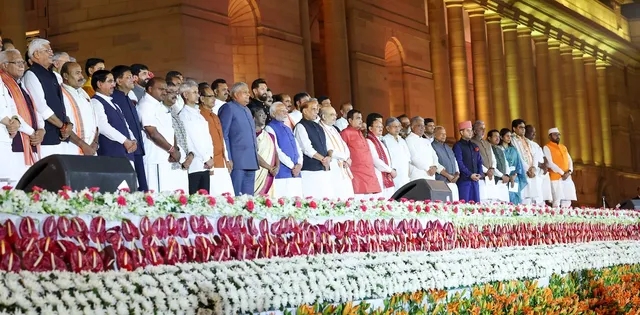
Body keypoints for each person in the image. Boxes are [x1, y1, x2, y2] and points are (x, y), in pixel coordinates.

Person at [0, 49, 44, 184]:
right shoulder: (6, 82)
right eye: (17, 62)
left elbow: (17, 108)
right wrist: (29, 130)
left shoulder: (19, 84)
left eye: (22, 62)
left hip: (14, 137)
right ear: (4, 65)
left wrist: (41, 129)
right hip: (14, 138)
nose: (21, 65)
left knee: (15, 184)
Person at [22, 38, 71, 157]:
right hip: (45, 138)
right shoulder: (32, 74)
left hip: (60, 135)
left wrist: (68, 124)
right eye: (47, 50)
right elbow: (41, 107)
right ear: (37, 54)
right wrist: (62, 126)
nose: (51, 53)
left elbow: (60, 104)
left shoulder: (52, 75)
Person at [137, 77, 180, 192]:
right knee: (156, 196)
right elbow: (152, 133)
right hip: (154, 158)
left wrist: (175, 149)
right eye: (161, 89)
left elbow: (171, 130)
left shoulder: (159, 105)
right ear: (150, 89)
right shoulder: (146, 104)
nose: (165, 92)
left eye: (165, 89)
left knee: (167, 195)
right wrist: (171, 150)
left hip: (166, 157)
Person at [91, 70, 138, 170]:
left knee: (129, 184)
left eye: (113, 81)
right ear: (99, 84)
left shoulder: (114, 104)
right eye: (110, 81)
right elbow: (103, 127)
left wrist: (132, 140)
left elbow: (126, 125)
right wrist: (125, 140)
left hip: (125, 152)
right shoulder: (95, 102)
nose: (113, 84)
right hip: (111, 153)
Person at [111, 65, 148, 191]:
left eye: (132, 77)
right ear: (118, 80)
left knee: (141, 188)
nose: (133, 80)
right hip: (125, 149)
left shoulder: (128, 98)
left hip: (136, 149)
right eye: (128, 77)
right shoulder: (114, 99)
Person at [219, 82, 259, 196]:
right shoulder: (228, 108)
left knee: (248, 197)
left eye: (248, 92)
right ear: (236, 94)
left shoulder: (247, 109)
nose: (248, 95)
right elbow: (223, 134)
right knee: (235, 196)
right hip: (236, 160)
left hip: (251, 159)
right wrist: (228, 158)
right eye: (245, 92)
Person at [178, 80, 214, 194]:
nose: (198, 95)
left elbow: (206, 138)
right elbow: (192, 139)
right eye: (194, 92)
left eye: (197, 92)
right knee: (195, 199)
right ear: (185, 95)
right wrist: (206, 158)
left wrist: (210, 157)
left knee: (205, 199)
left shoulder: (198, 114)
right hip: (195, 164)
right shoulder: (184, 115)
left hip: (205, 164)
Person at [198, 85, 234, 196]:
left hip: (222, 162)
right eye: (210, 96)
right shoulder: (199, 115)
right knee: (215, 198)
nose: (214, 99)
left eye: (214, 96)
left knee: (228, 197)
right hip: (210, 163)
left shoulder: (214, 115)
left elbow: (221, 138)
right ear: (202, 98)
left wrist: (227, 159)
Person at [294, 99, 333, 198]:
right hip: (310, 170)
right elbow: (307, 149)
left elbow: (328, 145)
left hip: (323, 168)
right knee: (312, 200)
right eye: (313, 109)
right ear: (305, 111)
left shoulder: (319, 126)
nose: (316, 111)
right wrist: (324, 159)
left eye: (317, 109)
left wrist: (329, 157)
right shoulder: (300, 126)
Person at [265, 101, 304, 198]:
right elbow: (276, 150)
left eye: (286, 110)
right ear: (273, 113)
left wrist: (299, 164)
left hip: (296, 171)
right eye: (282, 111)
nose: (285, 112)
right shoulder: (269, 128)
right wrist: (292, 166)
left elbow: (298, 147)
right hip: (283, 172)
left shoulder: (287, 127)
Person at [60, 62, 98, 156]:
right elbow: (65, 124)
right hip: (73, 148)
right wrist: (83, 145)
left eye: (81, 72)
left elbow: (95, 120)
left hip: (91, 148)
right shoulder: (61, 93)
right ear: (65, 76)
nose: (81, 76)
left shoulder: (83, 93)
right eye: (77, 73)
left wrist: (95, 143)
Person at [341, 109, 381, 198]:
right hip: (356, 174)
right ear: (350, 120)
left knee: (372, 202)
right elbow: (342, 152)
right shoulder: (345, 133)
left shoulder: (360, 133)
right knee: (359, 202)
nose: (361, 121)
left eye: (361, 118)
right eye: (358, 118)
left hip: (368, 172)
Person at [318, 105, 354, 199]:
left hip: (344, 164)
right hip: (334, 165)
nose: (335, 117)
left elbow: (344, 145)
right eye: (332, 115)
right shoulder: (320, 129)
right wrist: (345, 157)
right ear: (324, 117)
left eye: (335, 114)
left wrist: (348, 158)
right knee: (337, 195)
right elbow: (330, 150)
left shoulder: (334, 128)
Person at [405, 116, 448, 181]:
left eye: (423, 126)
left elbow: (434, 156)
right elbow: (414, 158)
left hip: (431, 175)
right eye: (419, 126)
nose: (422, 128)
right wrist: (428, 169)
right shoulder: (408, 140)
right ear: (412, 126)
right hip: (418, 176)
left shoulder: (426, 141)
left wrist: (435, 166)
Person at [543, 128, 577, 208]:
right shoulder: (547, 147)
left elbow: (570, 160)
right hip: (556, 177)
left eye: (558, 134)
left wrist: (569, 172)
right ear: (550, 137)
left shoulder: (563, 147)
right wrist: (562, 173)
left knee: (567, 200)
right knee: (557, 200)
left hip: (567, 177)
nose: (557, 136)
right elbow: (550, 163)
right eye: (555, 134)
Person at [471, 120, 502, 203]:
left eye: (484, 128)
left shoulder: (487, 143)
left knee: (493, 201)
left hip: (491, 176)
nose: (484, 131)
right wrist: (486, 171)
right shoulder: (471, 143)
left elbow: (493, 159)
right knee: (483, 201)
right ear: (474, 131)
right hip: (481, 177)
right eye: (481, 128)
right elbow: (475, 161)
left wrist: (492, 169)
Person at [366, 114, 396, 199]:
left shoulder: (380, 140)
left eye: (381, 126)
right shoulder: (369, 141)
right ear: (370, 128)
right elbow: (375, 160)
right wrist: (390, 170)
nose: (381, 128)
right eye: (378, 126)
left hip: (386, 174)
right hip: (378, 174)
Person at [452, 121, 483, 203]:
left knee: (476, 206)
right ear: (461, 132)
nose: (470, 133)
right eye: (467, 130)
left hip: (475, 180)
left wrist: (479, 173)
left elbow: (479, 161)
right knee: (465, 205)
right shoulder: (458, 146)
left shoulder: (474, 145)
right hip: (464, 181)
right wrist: (470, 174)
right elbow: (459, 163)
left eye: (471, 130)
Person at [511, 119, 539, 204]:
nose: (523, 129)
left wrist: (534, 167)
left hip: (531, 171)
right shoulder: (512, 140)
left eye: (524, 127)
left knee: (532, 197)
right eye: (520, 127)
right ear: (514, 128)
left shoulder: (527, 140)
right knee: (524, 197)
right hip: (522, 171)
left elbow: (535, 155)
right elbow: (517, 156)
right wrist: (527, 169)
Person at [252, 106, 278, 196]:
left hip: (269, 173)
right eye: (260, 115)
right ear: (253, 118)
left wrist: (277, 167)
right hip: (257, 172)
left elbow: (275, 152)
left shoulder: (269, 136)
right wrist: (269, 167)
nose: (264, 117)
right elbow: (253, 154)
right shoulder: (250, 135)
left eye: (265, 115)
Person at [525, 125, 553, 205]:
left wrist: (545, 166)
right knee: (535, 195)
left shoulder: (535, 144)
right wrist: (541, 166)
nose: (534, 134)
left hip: (541, 172)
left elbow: (543, 156)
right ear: (526, 132)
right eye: (532, 132)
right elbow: (532, 157)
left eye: (535, 132)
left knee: (542, 193)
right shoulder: (526, 143)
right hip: (534, 170)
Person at [431, 126, 460, 201]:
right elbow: (435, 164)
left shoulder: (447, 147)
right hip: (441, 182)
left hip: (453, 181)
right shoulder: (432, 146)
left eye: (445, 134)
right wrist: (448, 175)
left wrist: (457, 174)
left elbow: (455, 161)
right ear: (434, 134)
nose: (444, 136)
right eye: (441, 134)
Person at [499, 128, 527, 204]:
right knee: (506, 198)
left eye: (510, 136)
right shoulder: (499, 149)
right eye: (507, 136)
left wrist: (514, 175)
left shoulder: (514, 149)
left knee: (515, 198)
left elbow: (519, 164)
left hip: (514, 177)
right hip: (504, 177)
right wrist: (507, 176)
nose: (509, 138)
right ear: (501, 137)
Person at [382, 117, 410, 189]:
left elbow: (407, 158)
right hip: (393, 173)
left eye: (399, 126)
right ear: (388, 128)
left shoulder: (402, 140)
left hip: (404, 174)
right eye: (395, 127)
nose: (397, 129)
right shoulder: (384, 140)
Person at [487, 129, 511, 202]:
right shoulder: (488, 149)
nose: (498, 138)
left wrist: (506, 174)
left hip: (504, 181)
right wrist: (501, 175)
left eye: (498, 136)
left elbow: (506, 163)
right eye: (495, 136)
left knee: (505, 203)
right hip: (495, 180)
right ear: (489, 138)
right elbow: (491, 166)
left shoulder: (500, 149)